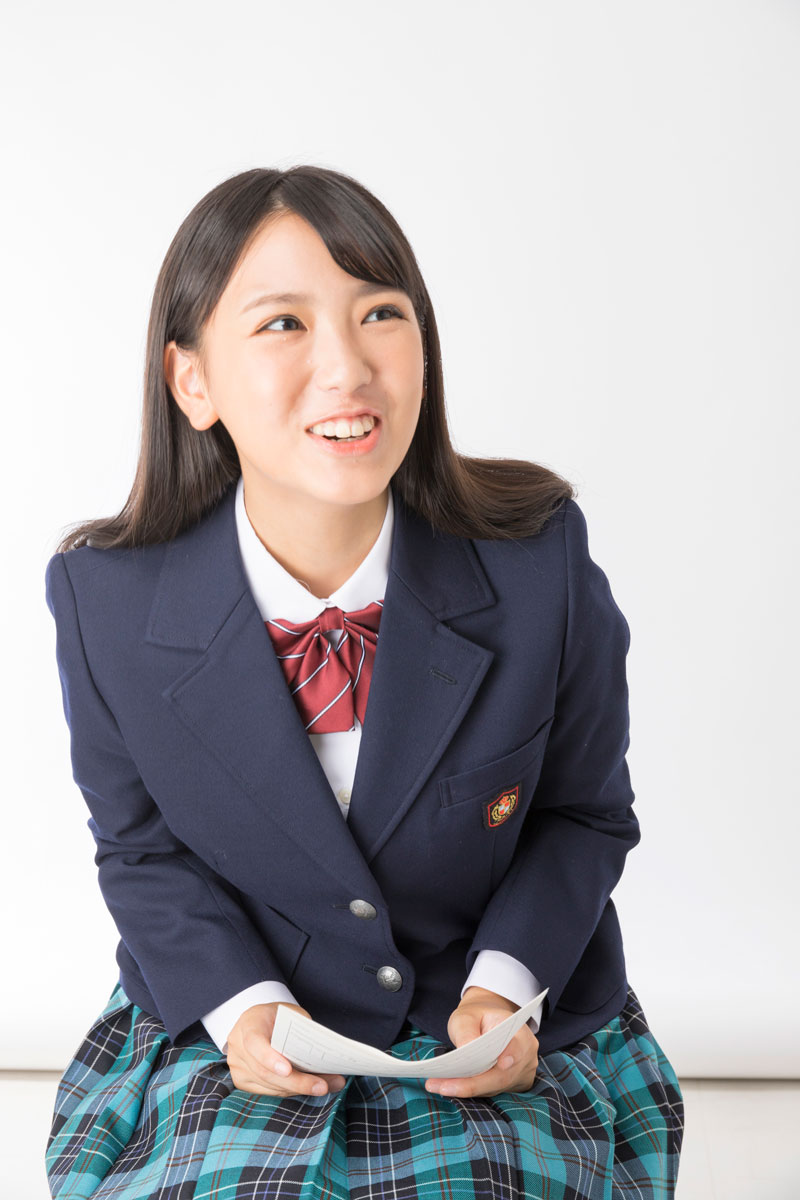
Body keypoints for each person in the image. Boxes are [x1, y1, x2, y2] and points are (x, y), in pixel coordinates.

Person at [43, 165, 684, 1199]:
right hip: (235, 1031)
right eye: (283, 324)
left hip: (488, 1026)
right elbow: (142, 851)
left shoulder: (539, 565)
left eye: (380, 313)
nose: (346, 367)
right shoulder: (103, 598)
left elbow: (581, 815)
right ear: (191, 382)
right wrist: (243, 1010)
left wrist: (503, 992)